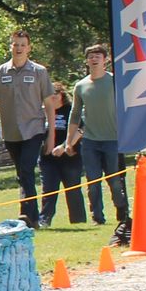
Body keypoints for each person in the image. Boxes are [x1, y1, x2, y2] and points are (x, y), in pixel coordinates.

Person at [0, 30, 55, 228]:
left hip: (34, 129)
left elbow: (49, 104)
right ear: (10, 47)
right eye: (15, 44)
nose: (19, 48)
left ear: (29, 48)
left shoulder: (39, 71)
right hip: (11, 132)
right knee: (22, 173)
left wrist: (51, 136)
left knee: (26, 169)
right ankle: (32, 216)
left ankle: (27, 216)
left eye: (23, 44)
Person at [64, 43, 131, 245]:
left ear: (105, 60)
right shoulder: (81, 86)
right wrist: (69, 141)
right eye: (91, 56)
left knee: (114, 180)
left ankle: (122, 212)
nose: (94, 59)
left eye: (98, 56)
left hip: (113, 139)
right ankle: (97, 217)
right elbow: (74, 115)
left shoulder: (114, 81)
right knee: (93, 181)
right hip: (91, 141)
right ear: (87, 61)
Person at [39, 78, 86, 227]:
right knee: (49, 189)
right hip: (48, 159)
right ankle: (44, 219)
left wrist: (64, 145)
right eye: (49, 94)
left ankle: (78, 221)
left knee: (73, 189)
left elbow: (80, 130)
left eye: (56, 93)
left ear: (62, 95)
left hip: (70, 156)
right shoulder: (42, 112)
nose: (53, 96)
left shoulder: (70, 110)